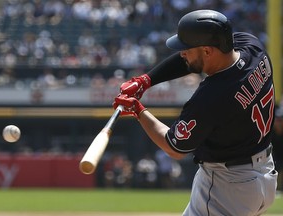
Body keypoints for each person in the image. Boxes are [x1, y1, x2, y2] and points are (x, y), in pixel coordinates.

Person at [113, 9, 278, 215]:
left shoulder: (211, 97)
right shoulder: (253, 48)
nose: (182, 52)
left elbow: (174, 147)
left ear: (208, 51)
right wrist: (146, 80)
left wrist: (138, 110)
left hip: (228, 187)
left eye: (187, 48)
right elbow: (191, 61)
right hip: (262, 175)